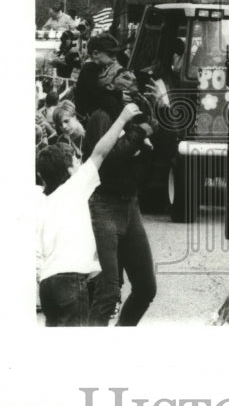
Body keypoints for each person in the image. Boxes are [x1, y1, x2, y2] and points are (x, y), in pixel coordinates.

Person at [35, 103, 141, 327]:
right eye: (74, 161)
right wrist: (122, 119)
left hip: (47, 284)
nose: (77, 161)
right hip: (71, 280)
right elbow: (100, 152)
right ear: (69, 171)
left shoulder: (41, 201)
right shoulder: (76, 187)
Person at [58, 91, 158, 327]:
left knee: (145, 288)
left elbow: (156, 149)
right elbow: (109, 159)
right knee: (108, 291)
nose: (64, 127)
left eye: (67, 120)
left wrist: (160, 108)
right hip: (104, 204)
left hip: (129, 204)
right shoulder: (101, 118)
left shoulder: (130, 113)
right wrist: (140, 132)